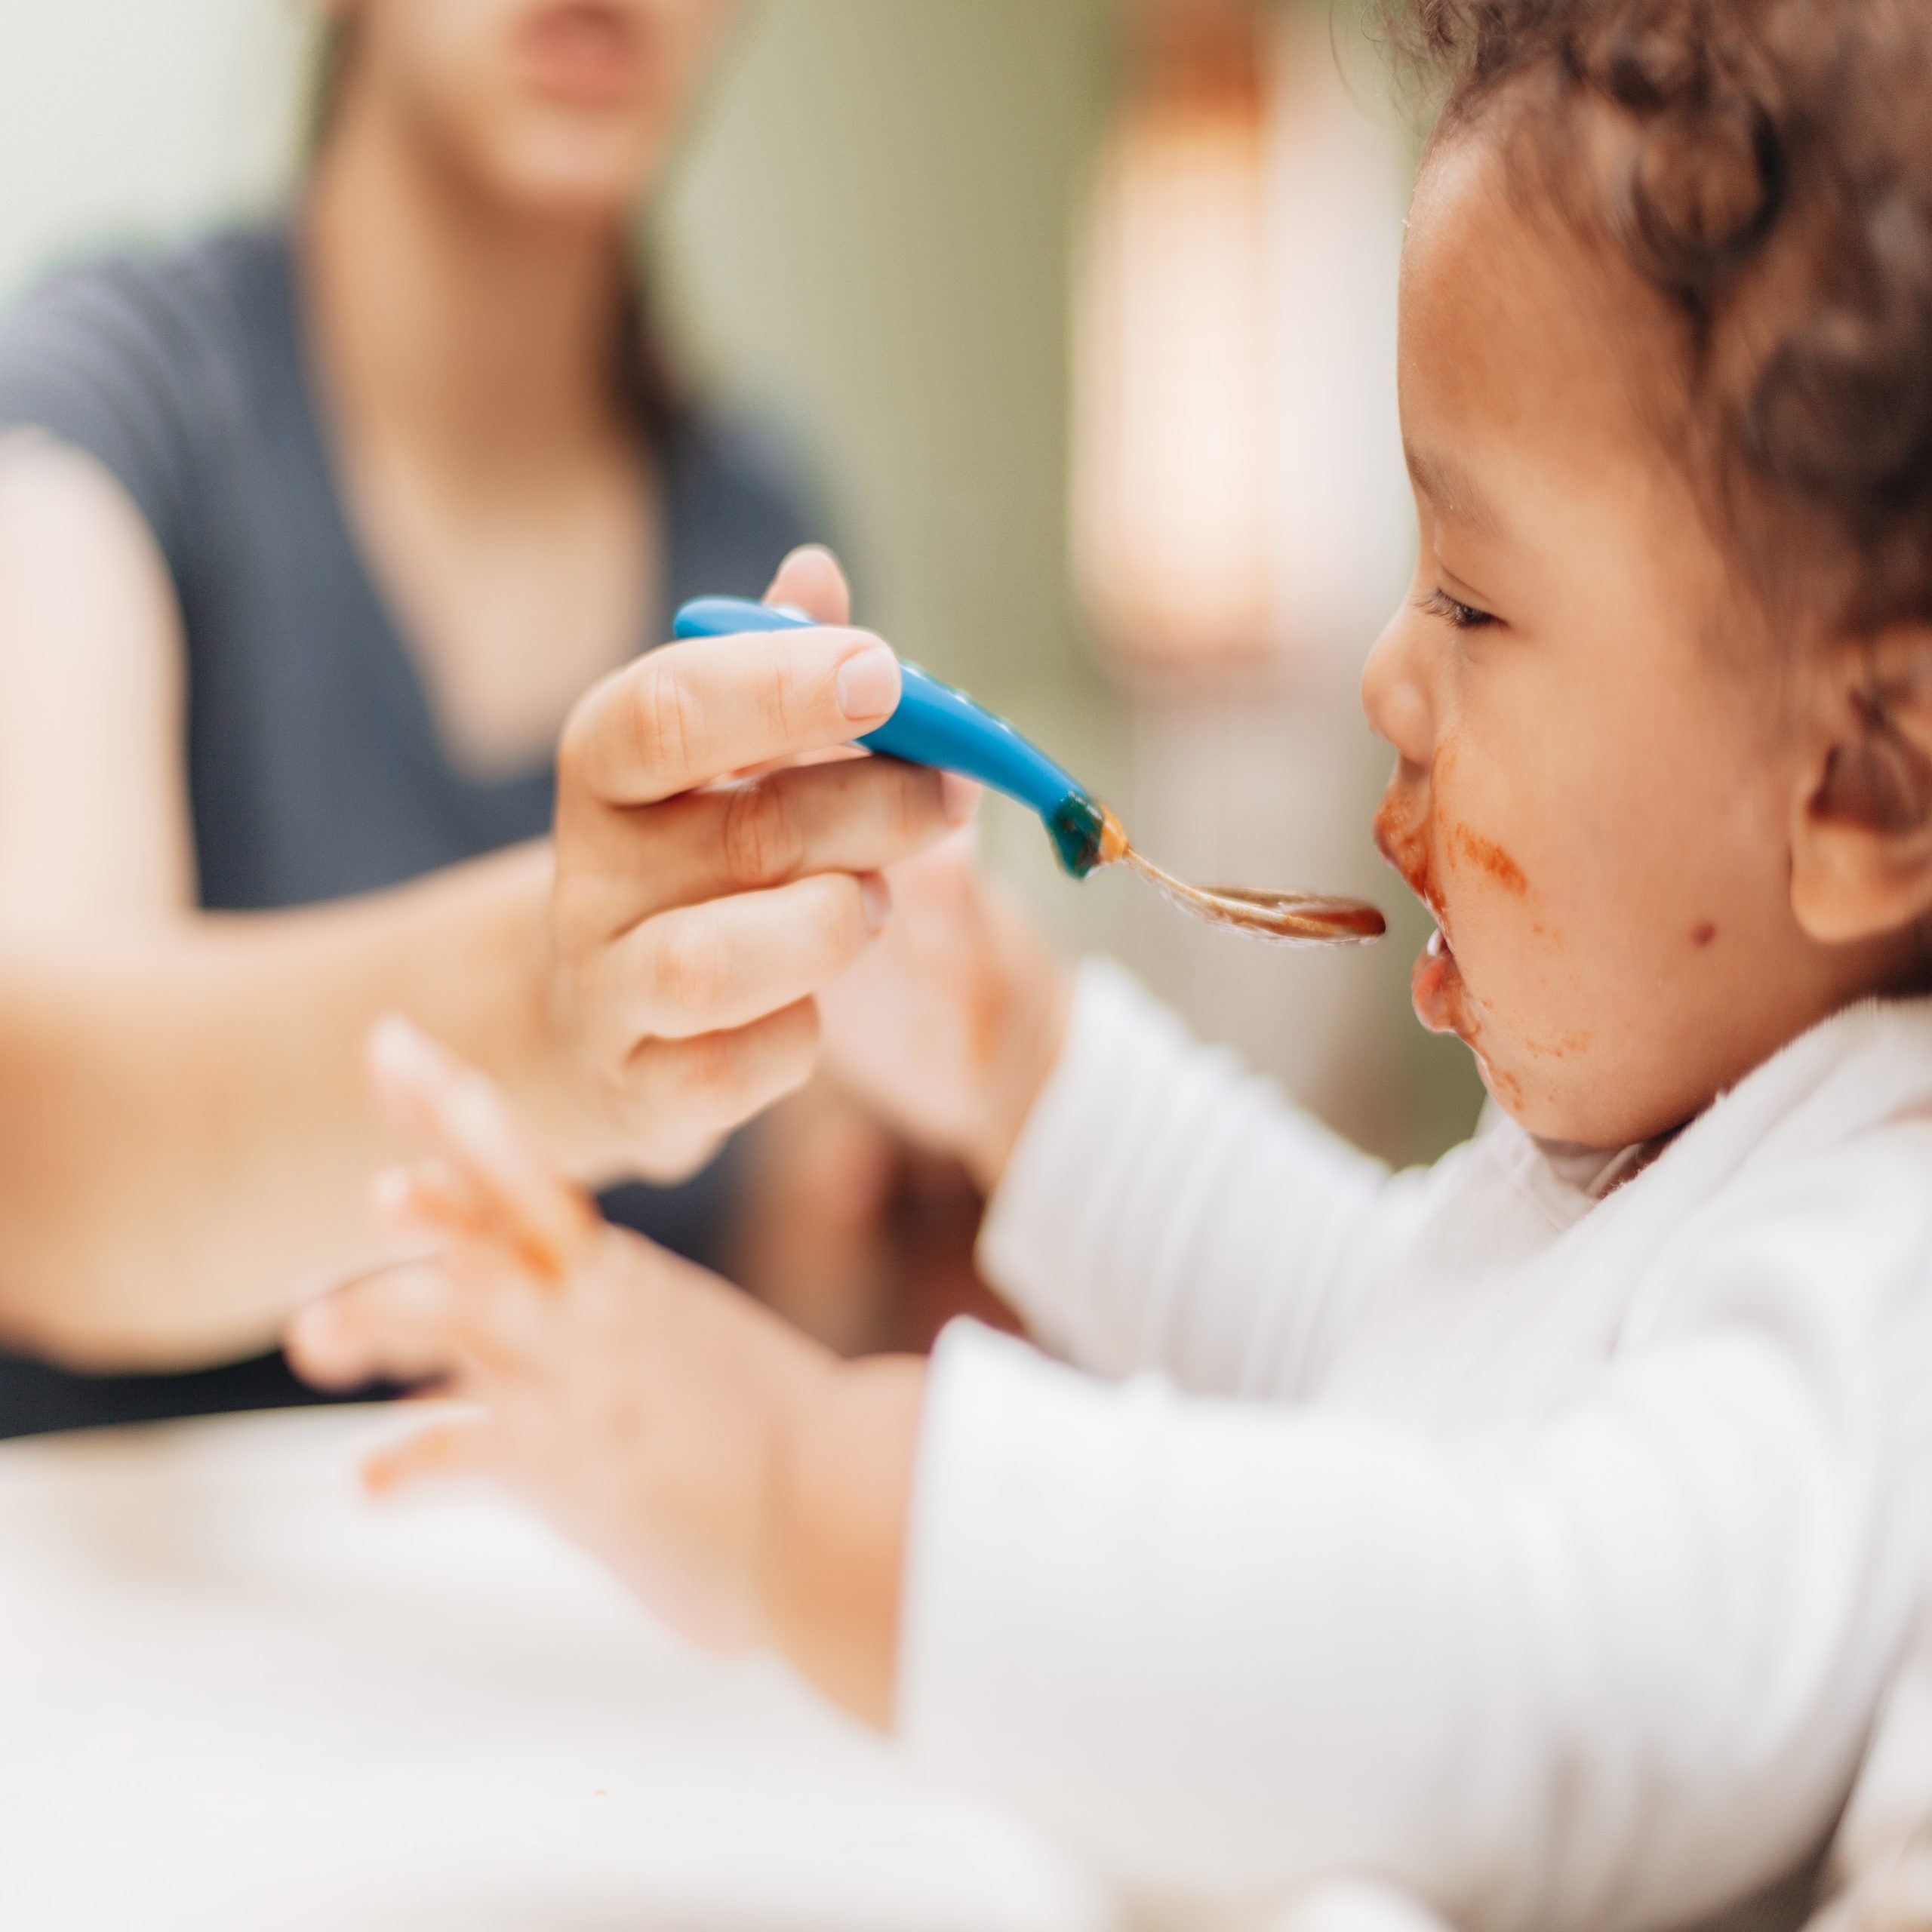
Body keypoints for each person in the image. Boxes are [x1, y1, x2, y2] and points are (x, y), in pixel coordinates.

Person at [290, 0, 1932, 1926]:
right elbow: (1342, 1312)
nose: (1383, 675)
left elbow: (1504, 1664)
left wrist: (799, 1489)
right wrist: (998, 1037)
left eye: (1474, 598)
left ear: (1862, 775)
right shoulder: (1622, 1193)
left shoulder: (1875, 1262)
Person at [0, 2, 955, 1433]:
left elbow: (781, 1323)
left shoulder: (764, 532)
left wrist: (901, 1239)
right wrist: (555, 1015)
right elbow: (33, 1137)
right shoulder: (104, 408)